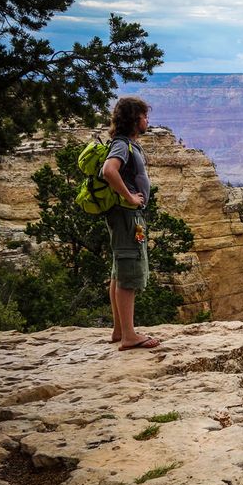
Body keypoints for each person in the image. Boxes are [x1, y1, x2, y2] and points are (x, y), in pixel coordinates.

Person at [103, 96, 160, 350]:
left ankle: (119, 330)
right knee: (129, 270)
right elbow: (108, 170)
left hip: (125, 216)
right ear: (134, 120)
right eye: (144, 116)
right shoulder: (121, 145)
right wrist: (130, 196)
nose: (147, 120)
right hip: (127, 216)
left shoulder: (127, 144)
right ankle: (129, 336)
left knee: (119, 269)